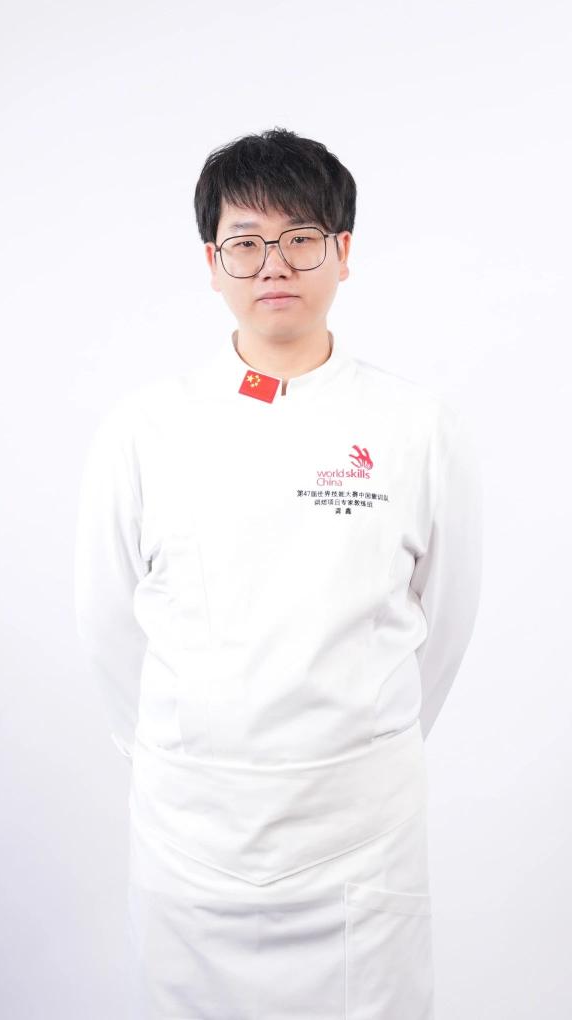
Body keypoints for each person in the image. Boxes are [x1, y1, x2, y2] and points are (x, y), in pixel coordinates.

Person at [74, 126, 483, 1019]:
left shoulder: (416, 426)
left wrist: (366, 739)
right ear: (211, 263)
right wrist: (184, 757)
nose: (275, 266)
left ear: (343, 252)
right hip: (192, 828)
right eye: (246, 243)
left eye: (301, 238)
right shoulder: (146, 428)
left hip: (360, 827)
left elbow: (445, 623)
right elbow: (107, 625)